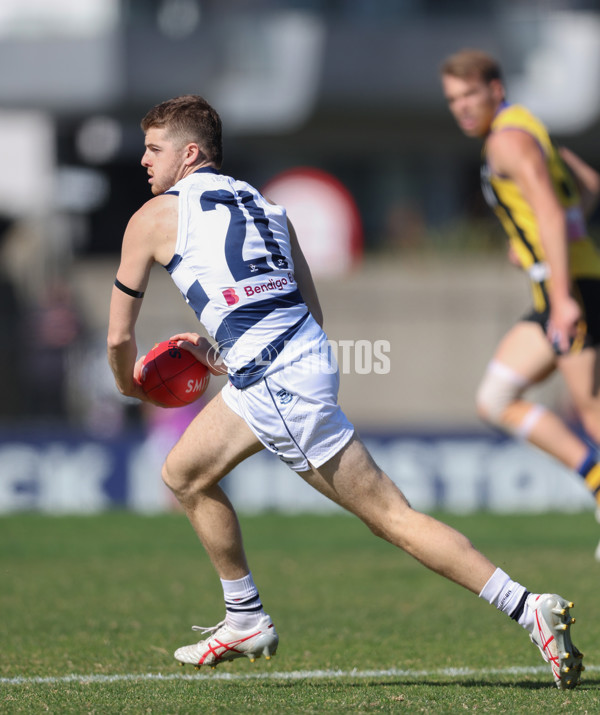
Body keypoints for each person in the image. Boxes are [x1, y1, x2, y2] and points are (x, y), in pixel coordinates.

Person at [107, 94, 584, 689]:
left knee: (392, 517)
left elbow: (119, 336)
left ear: (190, 153)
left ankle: (525, 606)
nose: (145, 162)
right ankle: (245, 615)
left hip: (278, 380)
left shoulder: (152, 219)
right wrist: (228, 353)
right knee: (184, 472)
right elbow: (308, 310)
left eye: (154, 149)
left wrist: (131, 385)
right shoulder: (269, 207)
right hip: (297, 361)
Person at [441, 49, 600, 558]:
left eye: (470, 94)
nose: (462, 107)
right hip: (563, 287)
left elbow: (551, 211)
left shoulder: (507, 140)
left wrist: (560, 299)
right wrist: (526, 239)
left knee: (590, 408)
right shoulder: (528, 128)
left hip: (572, 291)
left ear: (496, 89)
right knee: (495, 399)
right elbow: (588, 189)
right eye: (453, 99)